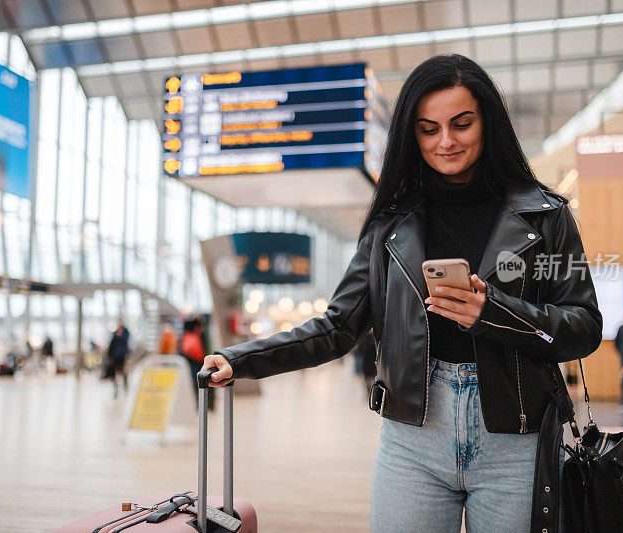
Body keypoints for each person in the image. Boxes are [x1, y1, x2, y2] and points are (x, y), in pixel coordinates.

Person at [201, 54, 602, 532]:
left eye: (461, 124)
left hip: (515, 441)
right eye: (428, 129)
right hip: (413, 437)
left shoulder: (547, 215)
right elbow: (337, 327)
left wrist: (491, 312)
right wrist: (242, 358)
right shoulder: (391, 224)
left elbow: (585, 325)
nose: (445, 142)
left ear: (488, 122)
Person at [106, 318, 130, 397]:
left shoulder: (126, 332)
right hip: (115, 356)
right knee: (114, 373)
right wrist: (109, 356)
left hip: (122, 356)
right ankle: (115, 390)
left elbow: (126, 343)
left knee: (123, 372)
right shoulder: (115, 333)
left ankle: (126, 388)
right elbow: (112, 345)